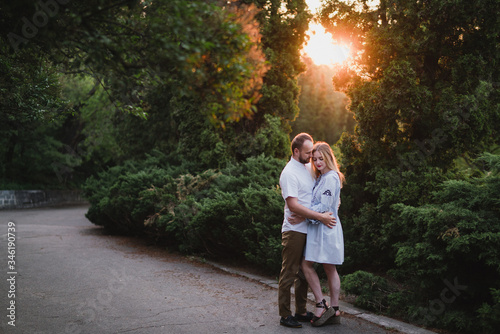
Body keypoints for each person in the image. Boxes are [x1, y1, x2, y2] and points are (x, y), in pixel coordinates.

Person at [278, 133, 337, 328]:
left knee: (303, 273)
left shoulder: (307, 168)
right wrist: (319, 216)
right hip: (294, 229)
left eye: (312, 152)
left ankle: (301, 311)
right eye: (308, 152)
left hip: (310, 228)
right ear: (296, 151)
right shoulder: (289, 173)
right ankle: (285, 314)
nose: (312, 156)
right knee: (289, 271)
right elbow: (293, 206)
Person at [290, 141, 345, 327]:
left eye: (321, 159)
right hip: (318, 228)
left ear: (329, 158)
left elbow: (324, 207)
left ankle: (330, 307)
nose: (318, 162)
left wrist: (302, 216)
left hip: (326, 228)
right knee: (310, 265)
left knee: (320, 267)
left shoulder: (331, 178)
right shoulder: (322, 177)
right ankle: (326, 305)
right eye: (315, 159)